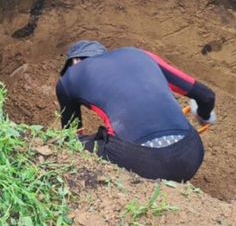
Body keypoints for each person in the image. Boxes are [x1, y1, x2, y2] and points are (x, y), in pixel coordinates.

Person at [56, 41, 218, 182]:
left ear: (76, 60)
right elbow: (207, 96)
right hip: (191, 155)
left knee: (69, 145)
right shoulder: (141, 55)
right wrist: (203, 116)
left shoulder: (69, 78)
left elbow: (71, 136)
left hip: (142, 164)